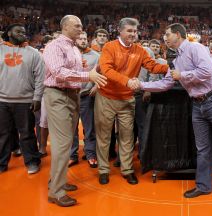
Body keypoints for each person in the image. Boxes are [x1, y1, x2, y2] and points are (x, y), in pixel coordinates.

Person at [136, 23, 212, 205]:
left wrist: (182, 75)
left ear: (177, 34)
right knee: (203, 148)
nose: (164, 38)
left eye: (167, 34)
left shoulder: (195, 47)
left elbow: (206, 72)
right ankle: (203, 186)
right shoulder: (175, 60)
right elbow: (166, 83)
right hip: (198, 104)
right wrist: (141, 85)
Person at [43, 15, 107, 207]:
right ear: (65, 27)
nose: (81, 28)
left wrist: (83, 68)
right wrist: (88, 75)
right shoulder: (55, 45)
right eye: (76, 25)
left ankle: (57, 181)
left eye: (81, 25)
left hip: (72, 95)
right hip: (58, 94)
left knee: (66, 142)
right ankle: (56, 192)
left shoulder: (73, 47)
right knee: (63, 144)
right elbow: (58, 72)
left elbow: (72, 70)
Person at [96, 17, 168, 185]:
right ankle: (103, 170)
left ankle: (127, 170)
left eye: (135, 31)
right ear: (120, 31)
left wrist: (170, 68)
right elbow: (106, 69)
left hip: (127, 99)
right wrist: (127, 81)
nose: (133, 34)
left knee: (127, 136)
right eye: (129, 31)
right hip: (106, 96)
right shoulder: (109, 47)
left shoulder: (140, 50)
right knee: (104, 136)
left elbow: (153, 66)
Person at [0, 23, 44, 174]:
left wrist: (37, 97)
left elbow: (40, 77)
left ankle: (32, 161)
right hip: (2, 100)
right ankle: (1, 163)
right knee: (3, 134)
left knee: (27, 133)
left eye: (24, 32)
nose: (22, 34)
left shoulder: (33, 53)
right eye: (18, 31)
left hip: (25, 100)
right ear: (9, 33)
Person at [69, 31, 99, 168]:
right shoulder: (69, 53)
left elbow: (103, 73)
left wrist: (97, 85)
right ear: (75, 40)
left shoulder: (96, 56)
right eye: (79, 38)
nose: (82, 41)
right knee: (71, 128)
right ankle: (72, 155)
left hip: (87, 96)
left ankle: (91, 154)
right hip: (70, 95)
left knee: (89, 127)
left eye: (84, 38)